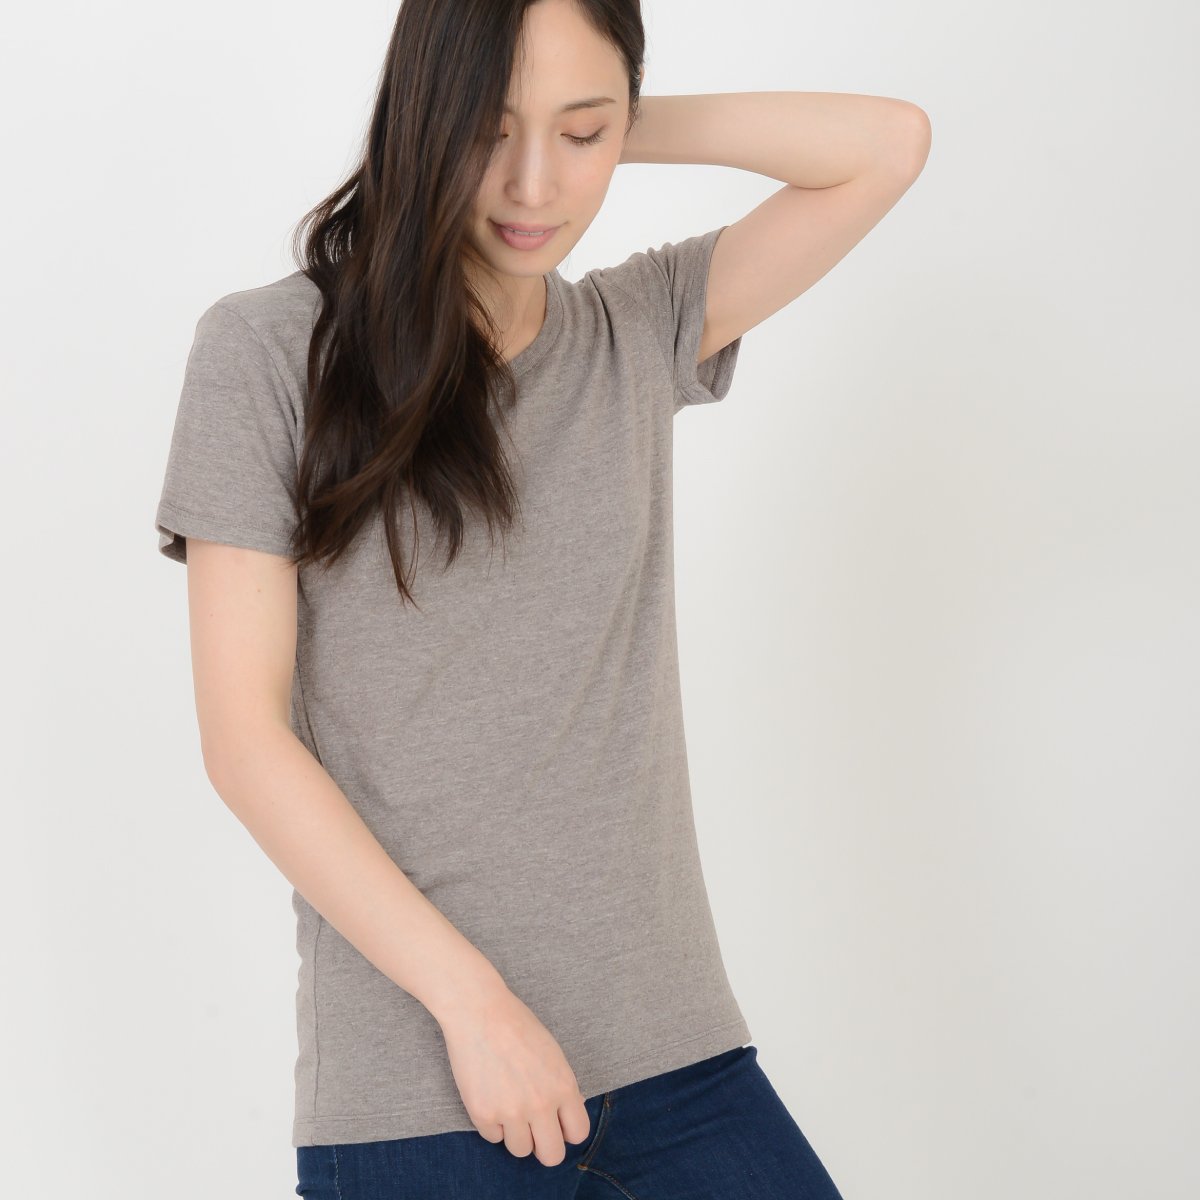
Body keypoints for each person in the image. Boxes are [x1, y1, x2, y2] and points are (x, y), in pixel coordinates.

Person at [153, 0, 929, 1195]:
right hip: (426, 1090)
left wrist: (607, 122)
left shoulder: (638, 327)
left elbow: (887, 145)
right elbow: (245, 743)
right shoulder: (268, 351)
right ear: (424, 117)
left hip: (678, 1057)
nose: (532, 185)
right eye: (485, 130)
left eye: (580, 134)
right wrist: (475, 1005)